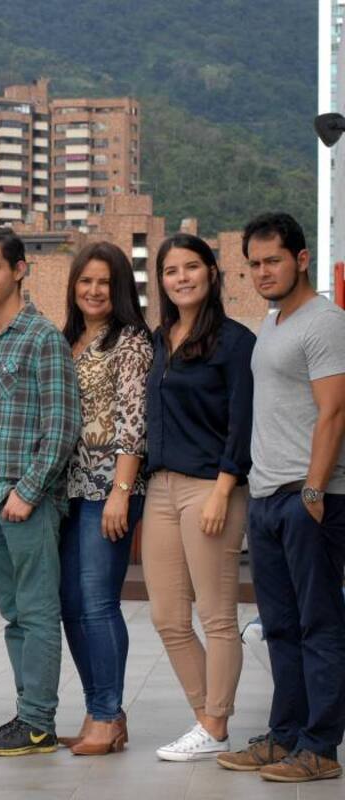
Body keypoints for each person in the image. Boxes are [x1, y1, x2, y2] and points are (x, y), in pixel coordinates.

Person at [217, 213, 345, 783]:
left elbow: (334, 412)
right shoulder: (273, 323)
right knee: (280, 627)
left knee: (319, 626)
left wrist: (315, 490)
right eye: (255, 264)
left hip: (307, 497)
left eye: (274, 260)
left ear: (301, 259)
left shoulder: (325, 322)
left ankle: (320, 748)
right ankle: (287, 735)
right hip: (268, 498)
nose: (264, 272)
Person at [0, 226, 81, 756]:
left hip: (25, 504)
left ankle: (38, 723)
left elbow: (62, 427)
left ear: (18, 269)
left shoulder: (44, 338)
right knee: (15, 614)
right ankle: (25, 713)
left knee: (36, 613)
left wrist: (29, 492)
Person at [141, 232, 254, 762]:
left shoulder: (235, 342)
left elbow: (241, 422)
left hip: (213, 487)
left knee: (217, 615)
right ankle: (206, 717)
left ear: (212, 272)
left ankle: (215, 724)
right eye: (171, 271)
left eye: (192, 267)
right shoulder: (159, 339)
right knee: (166, 615)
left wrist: (224, 489)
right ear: (161, 282)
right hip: (160, 486)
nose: (181, 277)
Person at [56, 242, 151, 756]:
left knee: (97, 603)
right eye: (85, 281)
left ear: (120, 289)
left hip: (106, 491)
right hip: (65, 493)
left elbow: (134, 423)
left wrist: (120, 491)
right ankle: (102, 711)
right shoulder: (68, 339)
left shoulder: (131, 342)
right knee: (70, 605)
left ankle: (107, 713)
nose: (94, 291)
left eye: (105, 282)